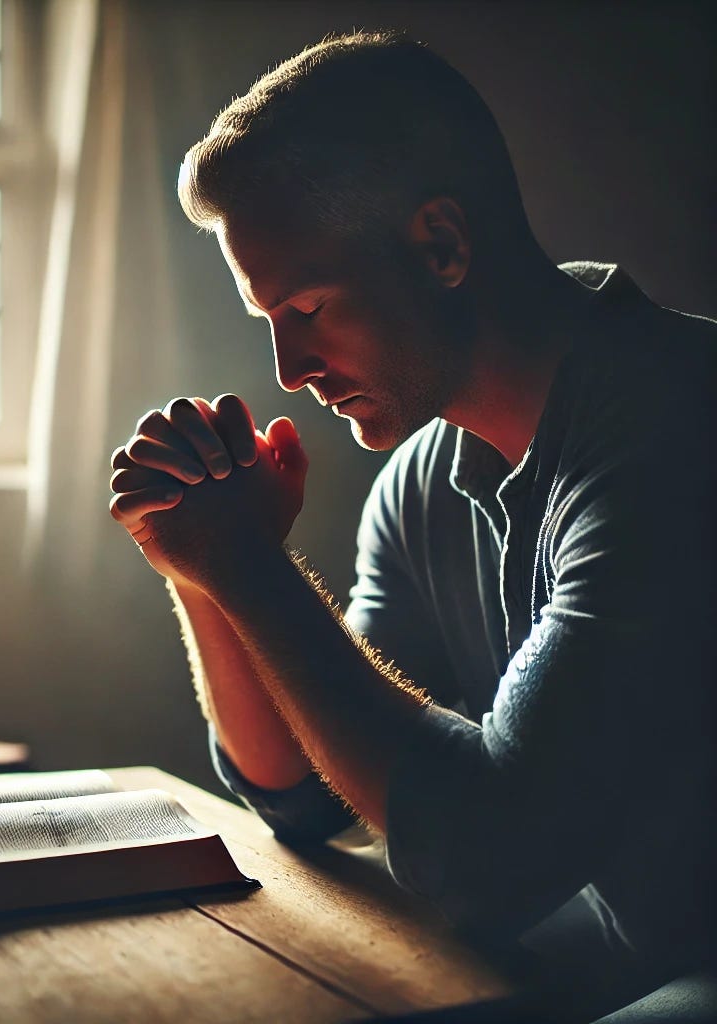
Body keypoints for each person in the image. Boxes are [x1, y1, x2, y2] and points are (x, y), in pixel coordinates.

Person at [108, 30, 716, 1016]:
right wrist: (208, 569)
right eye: (268, 318)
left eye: (305, 306)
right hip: (616, 932)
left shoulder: (674, 427)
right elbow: (308, 796)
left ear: (440, 245)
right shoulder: (424, 477)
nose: (287, 371)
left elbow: (488, 857)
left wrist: (253, 570)